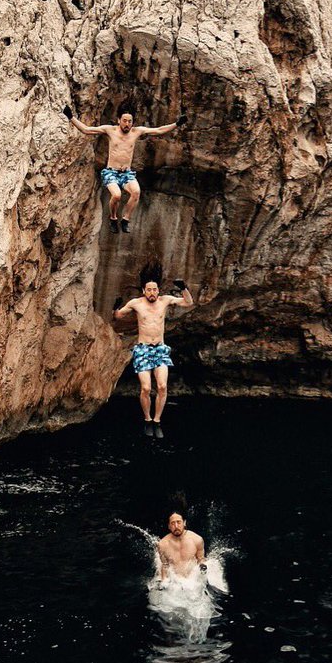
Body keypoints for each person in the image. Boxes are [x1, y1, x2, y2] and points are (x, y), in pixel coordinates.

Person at [63, 106, 186, 233]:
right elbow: (87, 130)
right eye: (124, 120)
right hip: (111, 172)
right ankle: (113, 218)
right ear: (118, 120)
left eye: (130, 121)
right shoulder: (110, 130)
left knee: (136, 192)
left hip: (126, 173)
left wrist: (177, 124)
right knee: (116, 195)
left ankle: (125, 220)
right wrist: (70, 117)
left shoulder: (137, 132)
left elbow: (159, 130)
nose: (127, 124)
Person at [113, 267, 193, 425]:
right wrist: (115, 308)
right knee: (146, 388)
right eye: (149, 290)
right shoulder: (136, 303)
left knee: (162, 386)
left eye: (154, 290)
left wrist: (184, 288)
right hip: (142, 349)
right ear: (144, 291)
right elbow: (119, 316)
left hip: (160, 349)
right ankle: (147, 418)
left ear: (158, 291)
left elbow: (188, 302)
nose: (152, 292)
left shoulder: (165, 300)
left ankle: (157, 420)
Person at [156, 509, 206, 583]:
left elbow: (201, 559)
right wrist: (164, 583)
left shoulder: (197, 540)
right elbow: (165, 566)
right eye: (172, 523)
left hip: (192, 582)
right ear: (169, 526)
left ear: (184, 523)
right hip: (175, 583)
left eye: (178, 522)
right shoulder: (162, 544)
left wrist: (203, 568)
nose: (176, 526)